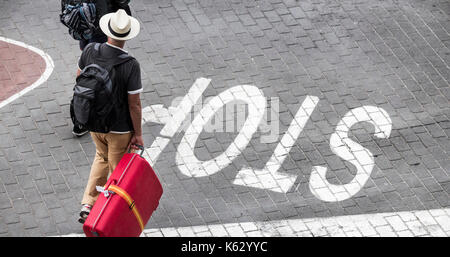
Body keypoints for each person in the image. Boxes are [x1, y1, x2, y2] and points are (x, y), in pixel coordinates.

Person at [77, 9, 143, 224]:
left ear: (108, 32)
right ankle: (111, 217)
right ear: (127, 36)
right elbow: (134, 105)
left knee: (100, 157)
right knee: (118, 171)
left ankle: (88, 204)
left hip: (94, 121)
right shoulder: (130, 65)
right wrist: (138, 135)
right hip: (119, 128)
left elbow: (78, 78)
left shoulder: (89, 50)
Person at [64, 0, 132, 137]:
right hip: (103, 20)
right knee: (98, 68)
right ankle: (85, 114)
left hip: (83, 19)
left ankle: (80, 112)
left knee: (87, 62)